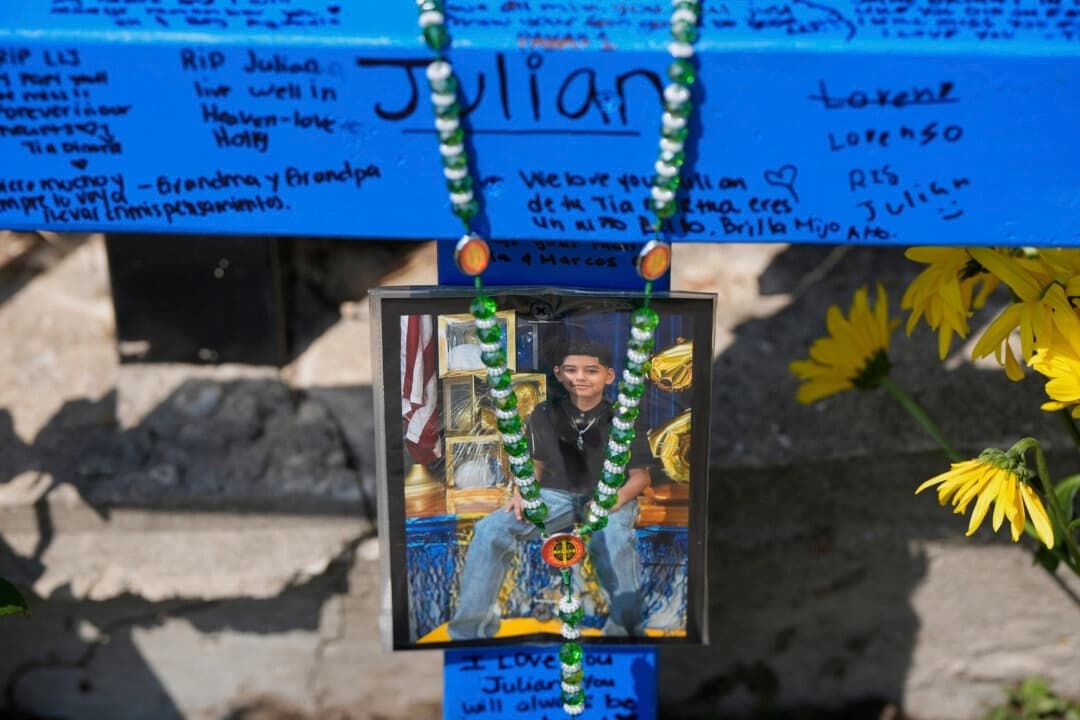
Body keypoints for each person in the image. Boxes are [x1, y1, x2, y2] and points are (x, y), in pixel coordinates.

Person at [448, 339, 652, 639]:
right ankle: (470, 630)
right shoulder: (545, 412)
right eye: (571, 370)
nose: (579, 377)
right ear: (558, 373)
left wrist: (613, 500)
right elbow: (536, 464)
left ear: (609, 376)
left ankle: (626, 629)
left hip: (611, 495)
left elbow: (640, 477)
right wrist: (522, 491)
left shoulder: (625, 416)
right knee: (491, 529)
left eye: (591, 371)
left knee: (614, 538)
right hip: (555, 496)